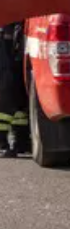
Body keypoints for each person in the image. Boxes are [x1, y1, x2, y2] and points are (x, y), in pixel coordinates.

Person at [0, 22, 29, 158]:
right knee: (19, 110)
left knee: (7, 110)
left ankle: (4, 144)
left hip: (8, 71)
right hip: (16, 67)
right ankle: (21, 143)